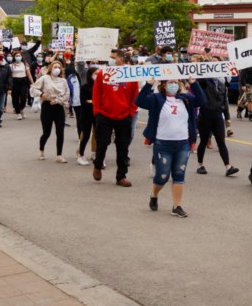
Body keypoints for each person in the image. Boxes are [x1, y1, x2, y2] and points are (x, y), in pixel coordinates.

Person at [137, 77, 205, 217]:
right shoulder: (156, 99)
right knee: (162, 176)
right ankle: (154, 194)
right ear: (163, 85)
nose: (174, 85)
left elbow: (201, 100)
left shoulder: (186, 99)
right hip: (163, 144)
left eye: (176, 82)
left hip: (182, 144)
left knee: (179, 175)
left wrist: (194, 83)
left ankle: (177, 206)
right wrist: (149, 84)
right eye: (170, 82)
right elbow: (139, 101)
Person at [92, 50, 139, 187]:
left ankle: (121, 176)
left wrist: (130, 112)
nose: (111, 59)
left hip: (124, 115)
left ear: (121, 59)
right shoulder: (102, 73)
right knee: (102, 143)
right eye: (110, 57)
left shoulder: (130, 75)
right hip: (104, 115)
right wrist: (98, 112)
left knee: (123, 147)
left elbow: (135, 95)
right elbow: (96, 93)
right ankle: (98, 164)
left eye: (113, 57)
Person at [196, 71, 237, 176]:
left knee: (221, 142)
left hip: (218, 116)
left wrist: (227, 117)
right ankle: (200, 165)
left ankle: (228, 167)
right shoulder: (204, 82)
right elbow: (199, 78)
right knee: (203, 141)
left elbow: (225, 102)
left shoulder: (222, 85)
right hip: (205, 116)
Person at [29, 60, 71, 162]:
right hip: (47, 106)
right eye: (55, 67)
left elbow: (67, 95)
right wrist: (41, 94)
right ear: (50, 68)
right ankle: (41, 150)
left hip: (59, 107)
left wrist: (57, 100)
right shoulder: (45, 78)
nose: (57, 69)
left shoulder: (63, 81)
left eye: (59, 67)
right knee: (46, 132)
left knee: (60, 131)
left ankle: (59, 155)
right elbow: (33, 88)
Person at [76, 66, 97, 166]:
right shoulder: (85, 87)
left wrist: (92, 102)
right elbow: (84, 102)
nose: (96, 76)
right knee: (86, 135)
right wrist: (94, 103)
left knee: (97, 134)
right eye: (95, 74)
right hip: (86, 114)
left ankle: (96, 153)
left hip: (97, 114)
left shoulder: (101, 86)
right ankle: (81, 155)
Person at [9, 49, 34, 120]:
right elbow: (9, 76)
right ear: (14, 57)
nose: (18, 57)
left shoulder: (25, 64)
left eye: (19, 55)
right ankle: (18, 112)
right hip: (14, 82)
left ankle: (21, 108)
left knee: (23, 98)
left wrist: (33, 83)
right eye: (16, 56)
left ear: (22, 57)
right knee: (15, 98)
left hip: (23, 81)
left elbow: (29, 75)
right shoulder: (11, 65)